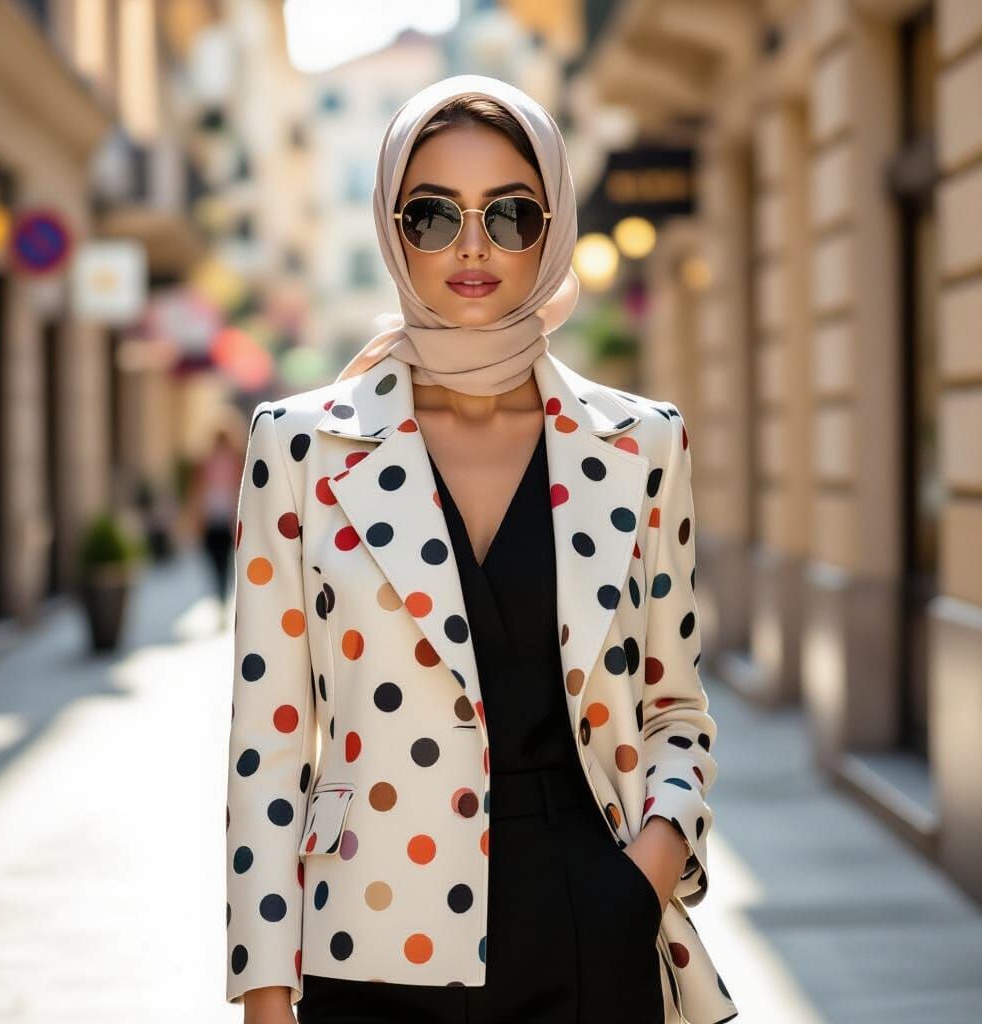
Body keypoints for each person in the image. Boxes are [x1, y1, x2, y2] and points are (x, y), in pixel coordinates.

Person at [225, 75, 737, 1024]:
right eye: (432, 215)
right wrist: (265, 989)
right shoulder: (300, 447)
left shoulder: (640, 443)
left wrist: (649, 871)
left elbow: (675, 704)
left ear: (552, 227)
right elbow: (269, 741)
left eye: (509, 213)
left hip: (593, 920)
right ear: (391, 226)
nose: (471, 246)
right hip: (368, 939)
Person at [188, 422, 244, 623]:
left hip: (223, 516)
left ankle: (220, 597)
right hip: (214, 516)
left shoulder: (235, 461)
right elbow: (199, 490)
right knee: (216, 560)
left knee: (221, 561)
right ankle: (220, 596)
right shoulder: (206, 462)